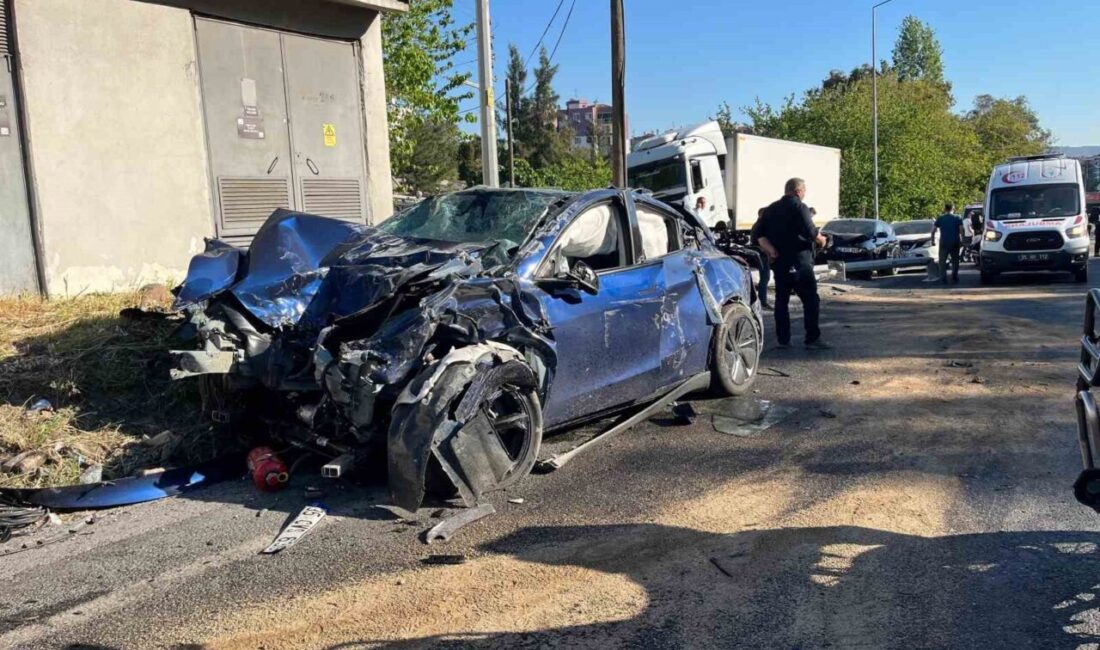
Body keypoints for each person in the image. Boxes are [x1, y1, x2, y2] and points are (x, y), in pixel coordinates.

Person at [757, 178, 829, 349]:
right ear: (798, 191)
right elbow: (811, 232)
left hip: (780, 263)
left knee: (781, 302)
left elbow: (759, 235)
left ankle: (783, 340)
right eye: (804, 191)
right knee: (811, 300)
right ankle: (812, 339)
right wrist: (822, 240)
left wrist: (771, 251)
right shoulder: (800, 207)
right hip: (800, 262)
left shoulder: (770, 209)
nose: (804, 194)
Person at [931, 202, 965, 284]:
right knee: (955, 260)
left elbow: (933, 231)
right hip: (954, 242)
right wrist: (962, 240)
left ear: (945, 209)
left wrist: (932, 240)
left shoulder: (940, 218)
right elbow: (961, 230)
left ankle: (943, 278)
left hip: (944, 242)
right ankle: (954, 276)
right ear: (953, 208)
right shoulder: (958, 218)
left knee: (942, 261)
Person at [750, 207, 772, 310]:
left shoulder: (758, 225)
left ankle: (761, 301)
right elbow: (760, 242)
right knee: (765, 277)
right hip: (761, 254)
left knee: (764, 277)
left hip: (760, 253)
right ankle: (762, 301)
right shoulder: (760, 226)